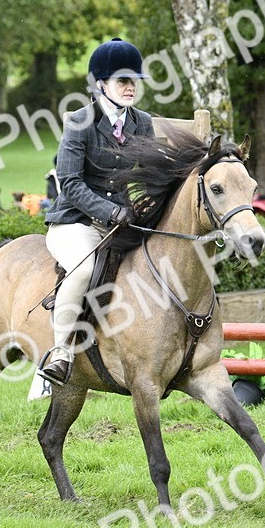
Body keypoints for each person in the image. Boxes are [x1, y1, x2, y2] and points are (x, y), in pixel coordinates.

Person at [37, 37, 154, 386]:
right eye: (123, 81)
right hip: (76, 222)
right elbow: (70, 183)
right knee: (84, 268)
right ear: (101, 84)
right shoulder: (79, 121)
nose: (130, 87)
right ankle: (59, 351)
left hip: (122, 222)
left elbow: (149, 175)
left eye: (134, 81)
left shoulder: (142, 123)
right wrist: (109, 211)